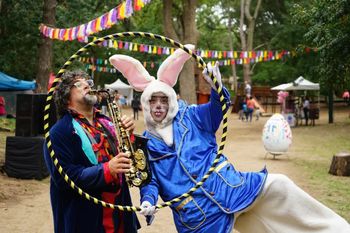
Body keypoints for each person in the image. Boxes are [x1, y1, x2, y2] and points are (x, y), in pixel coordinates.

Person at [109, 47, 350, 233]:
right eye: (153, 101)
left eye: (163, 100)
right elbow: (149, 181)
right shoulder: (145, 145)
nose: (159, 106)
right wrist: (148, 200)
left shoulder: (192, 116)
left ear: (171, 101)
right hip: (197, 215)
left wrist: (217, 89)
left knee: (279, 185)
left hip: (229, 187)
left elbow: (217, 110)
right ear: (145, 104)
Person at [43, 70, 140, 233]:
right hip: (85, 219)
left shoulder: (107, 122)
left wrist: (128, 136)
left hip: (119, 214)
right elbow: (63, 178)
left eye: (89, 82)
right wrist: (107, 169)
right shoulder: (58, 132)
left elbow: (129, 157)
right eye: (79, 84)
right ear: (66, 97)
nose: (88, 85)